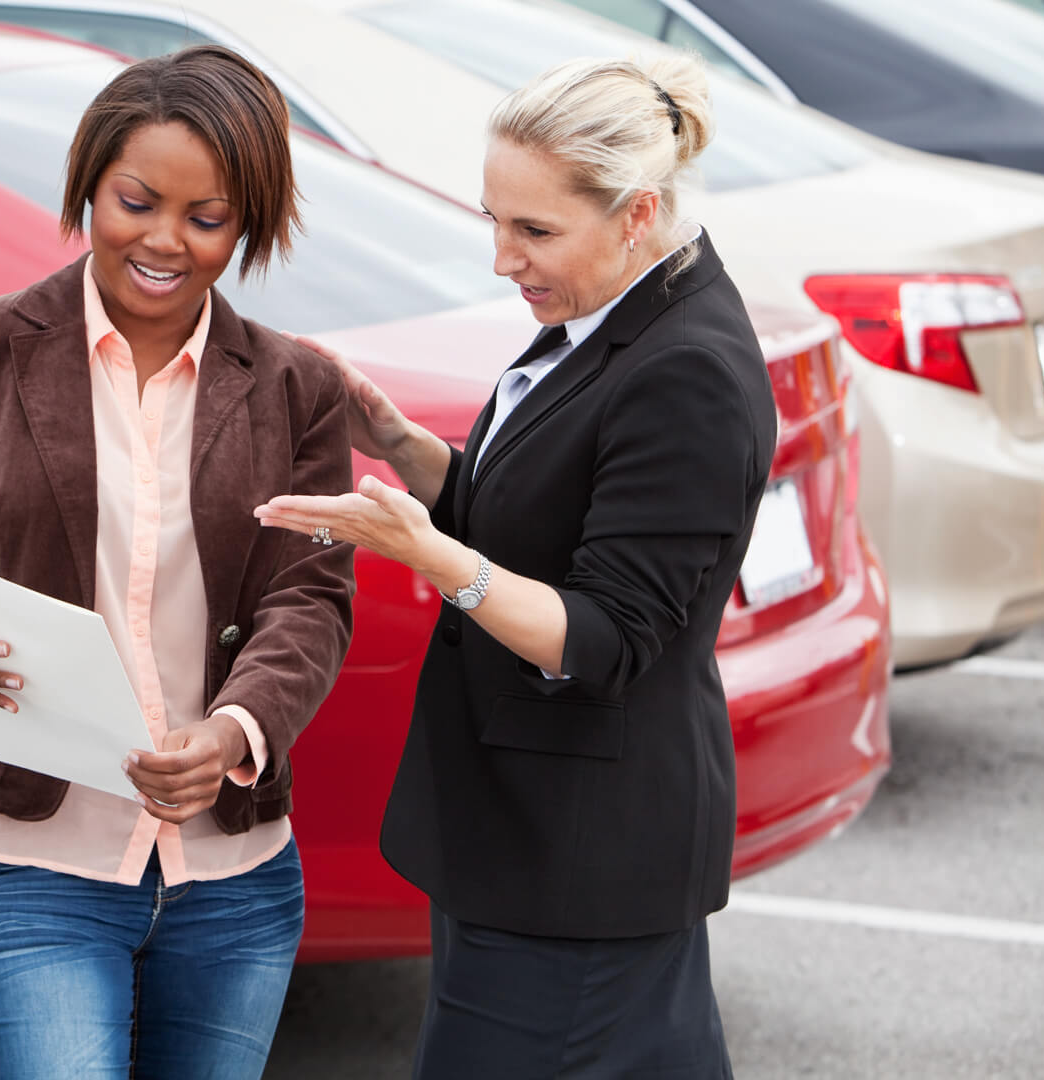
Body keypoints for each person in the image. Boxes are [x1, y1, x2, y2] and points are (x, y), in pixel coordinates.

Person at [0, 45, 356, 1079]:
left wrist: (236, 730)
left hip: (231, 877)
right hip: (12, 865)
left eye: (206, 219)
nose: (165, 241)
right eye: (136, 201)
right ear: (88, 186)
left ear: (247, 223)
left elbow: (311, 600)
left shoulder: (297, 387)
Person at [256, 54, 772, 1078]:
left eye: (534, 231)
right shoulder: (608, 320)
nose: (504, 258)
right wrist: (404, 445)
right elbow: (543, 524)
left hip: (581, 868)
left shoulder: (686, 373)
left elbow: (608, 638)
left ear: (637, 213)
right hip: (528, 846)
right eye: (493, 220)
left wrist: (430, 556)